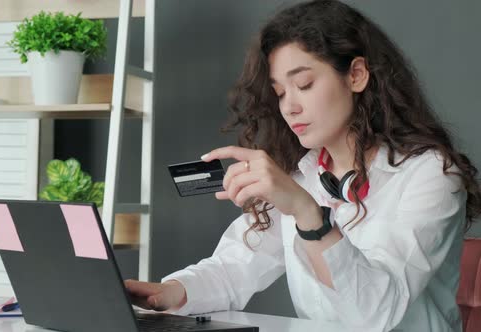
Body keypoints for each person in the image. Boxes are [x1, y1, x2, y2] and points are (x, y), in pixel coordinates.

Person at [124, 1, 481, 331]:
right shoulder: (304, 174)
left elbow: (375, 315)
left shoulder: (432, 175)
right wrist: (167, 292)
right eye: (280, 92)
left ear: (356, 75)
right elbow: (234, 269)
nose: (289, 107)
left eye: (304, 84)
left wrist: (306, 211)